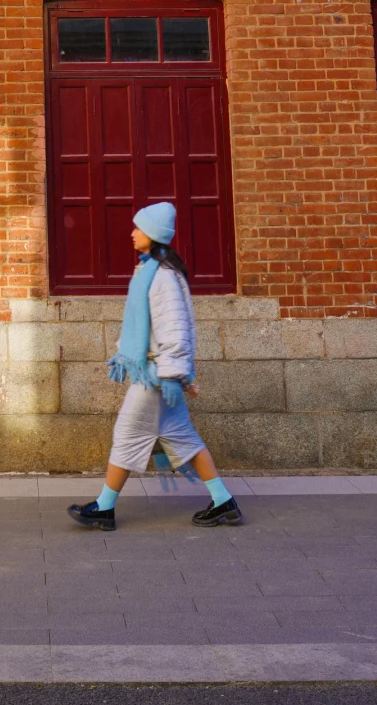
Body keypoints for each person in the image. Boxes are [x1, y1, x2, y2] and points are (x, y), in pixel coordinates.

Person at [68, 201, 243, 531]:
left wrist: (173, 374)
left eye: (138, 227)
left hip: (157, 377)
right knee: (183, 439)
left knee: (127, 434)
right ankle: (223, 502)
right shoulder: (152, 270)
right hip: (161, 375)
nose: (132, 233)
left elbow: (174, 327)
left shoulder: (161, 276)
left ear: (153, 234)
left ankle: (104, 508)